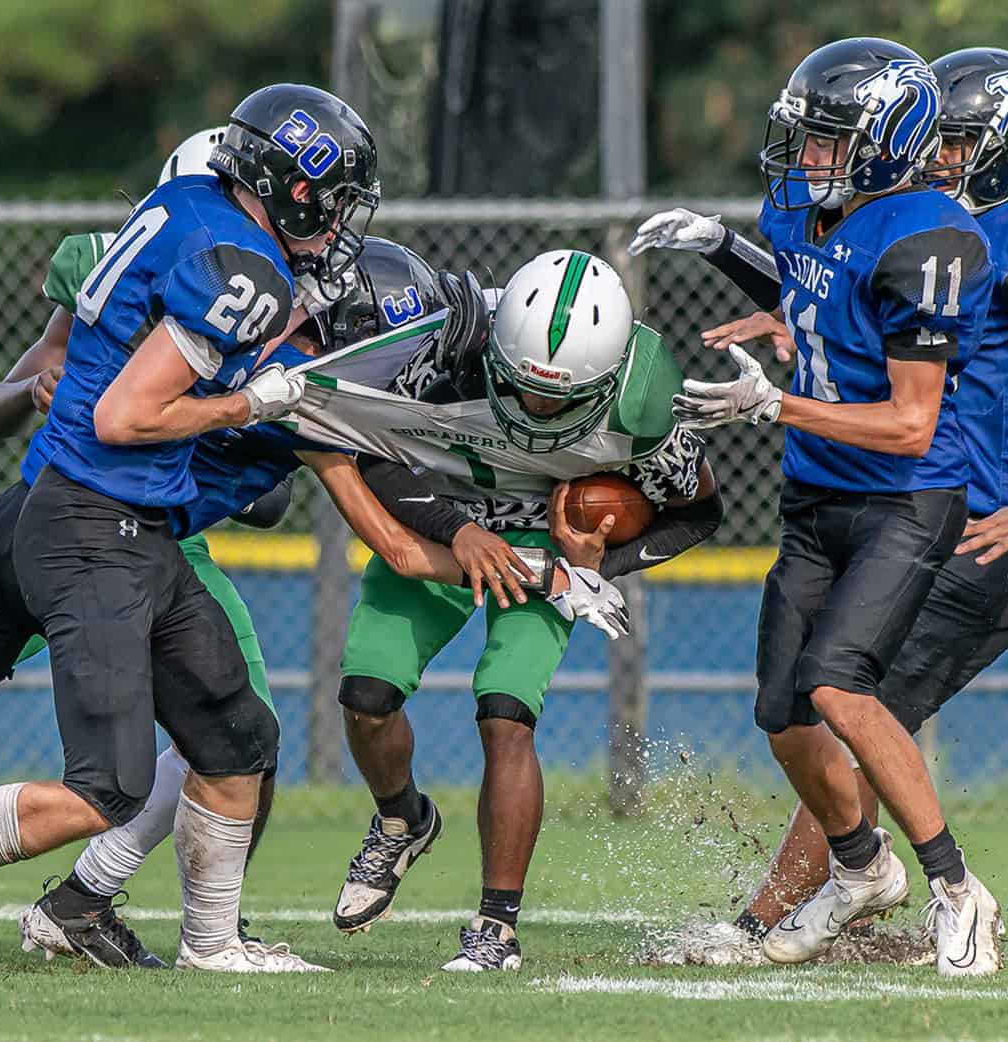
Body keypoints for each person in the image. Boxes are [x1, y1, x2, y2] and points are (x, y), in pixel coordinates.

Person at [0, 83, 383, 973]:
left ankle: (212, 944)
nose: (341, 224)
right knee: (112, 787)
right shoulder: (244, 269)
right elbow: (127, 414)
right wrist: (252, 400)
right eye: (336, 200)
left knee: (239, 735)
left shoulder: (183, 201)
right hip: (99, 520)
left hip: (96, 513)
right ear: (290, 185)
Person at [635, 46, 1008, 967]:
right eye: (932, 136)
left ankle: (798, 914)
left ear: (1005, 146)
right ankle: (831, 896)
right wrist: (778, 307)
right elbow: (842, 295)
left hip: (999, 522)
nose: (938, 156)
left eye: (955, 140)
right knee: (833, 706)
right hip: (916, 502)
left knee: (860, 707)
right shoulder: (905, 227)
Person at [293, 249, 724, 971]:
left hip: (541, 542)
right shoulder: (448, 347)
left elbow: (700, 512)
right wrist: (458, 531)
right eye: (523, 387)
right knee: (365, 697)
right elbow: (373, 450)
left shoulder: (641, 408)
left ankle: (497, 927)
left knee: (506, 714)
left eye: (559, 396)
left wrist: (590, 567)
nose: (538, 408)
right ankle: (402, 818)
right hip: (443, 515)